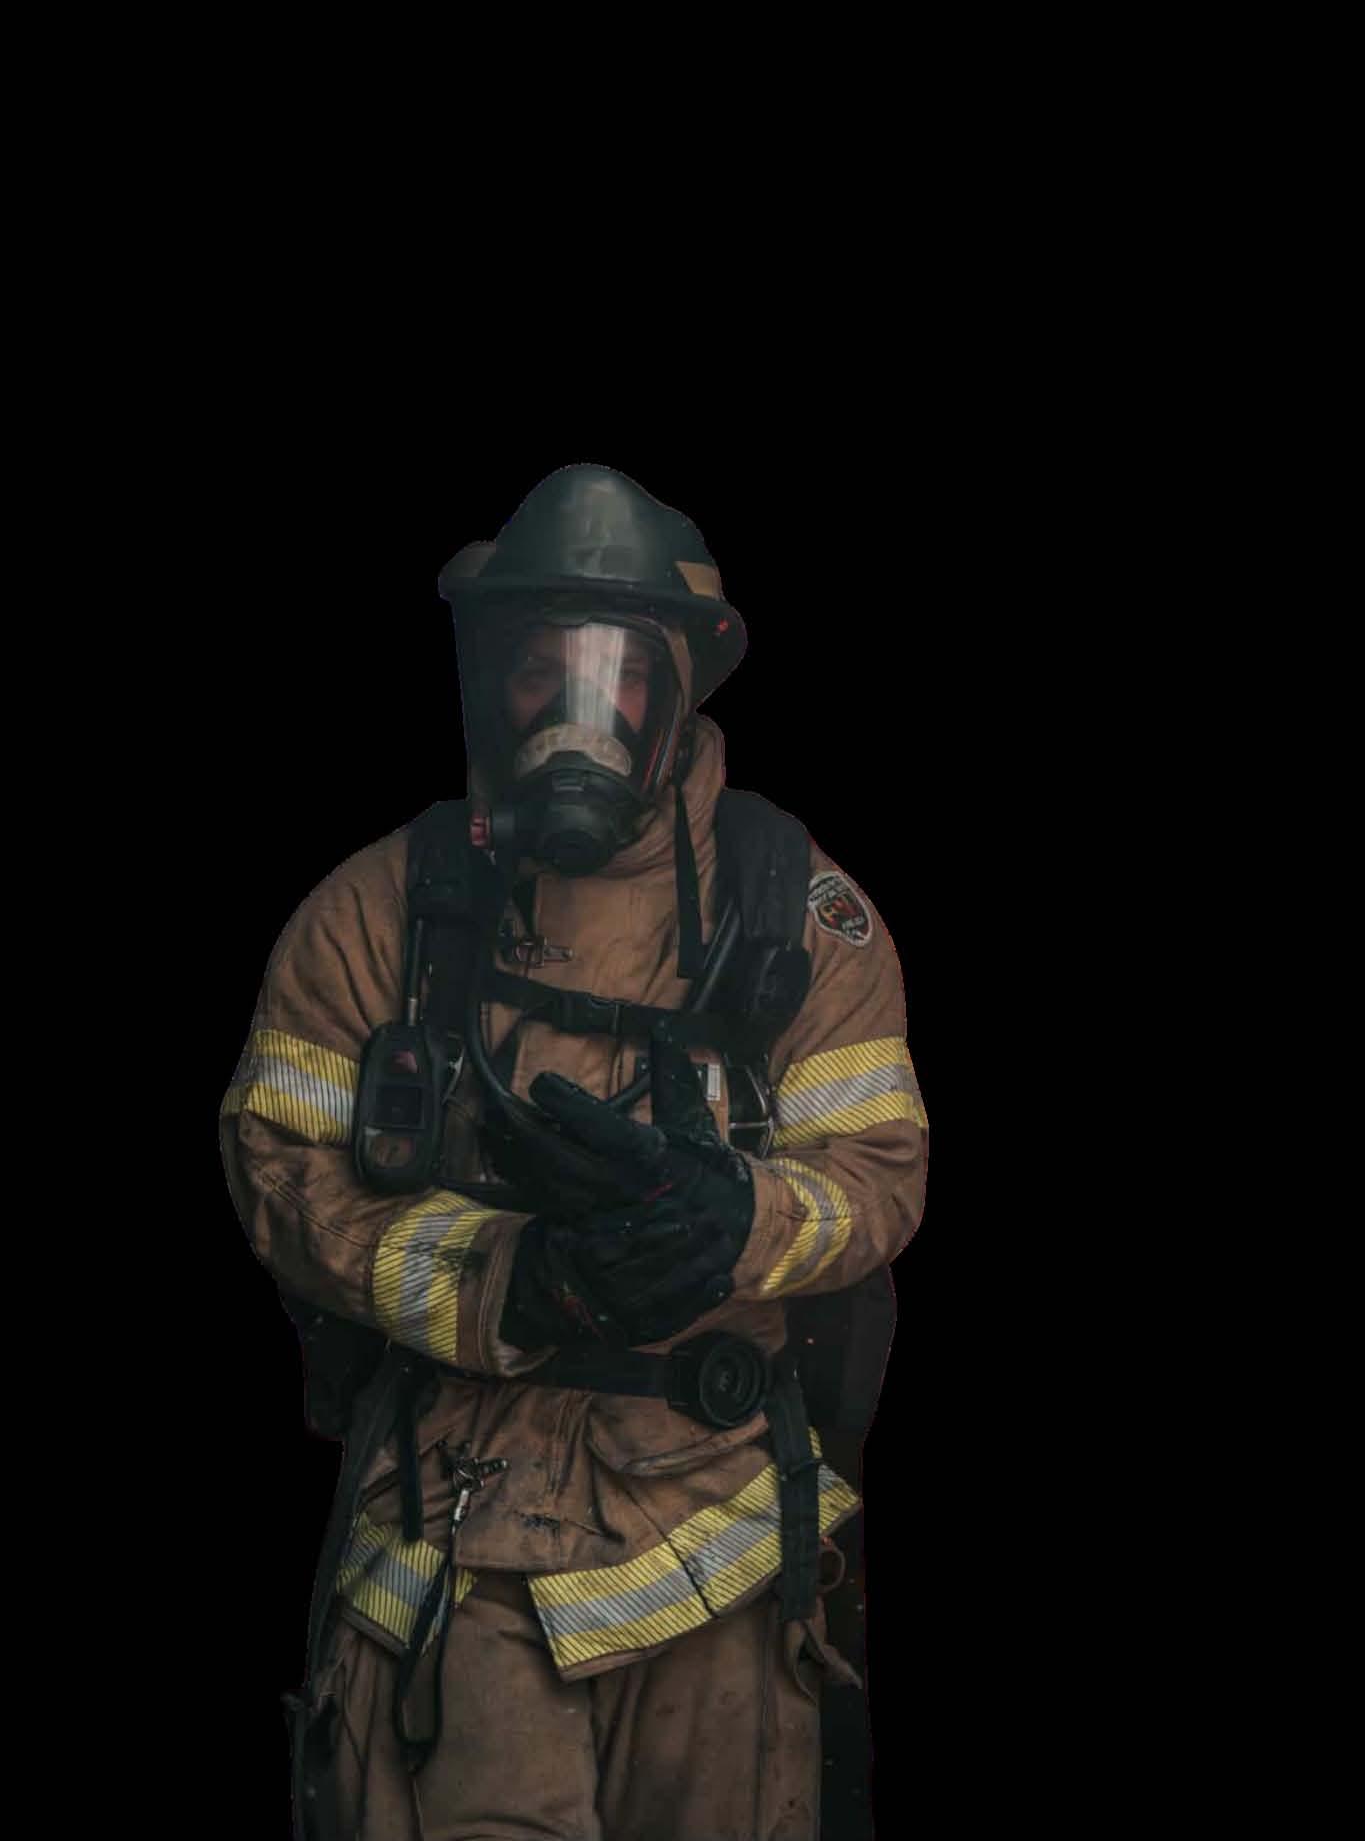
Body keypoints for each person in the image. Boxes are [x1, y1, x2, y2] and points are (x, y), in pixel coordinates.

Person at [220, 463, 929, 1840]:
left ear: (680, 689)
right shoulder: (383, 910)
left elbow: (879, 1175)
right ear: (486, 680)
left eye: (616, 673)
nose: (574, 712)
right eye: (539, 671)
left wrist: (733, 1219)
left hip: (714, 1542)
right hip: (448, 1535)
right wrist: (508, 1277)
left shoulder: (796, 915)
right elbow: (279, 1173)